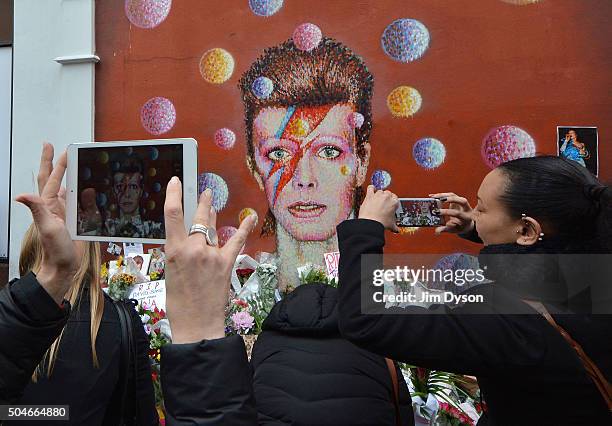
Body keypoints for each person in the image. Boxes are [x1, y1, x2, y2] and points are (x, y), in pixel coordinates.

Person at [336, 155, 612, 425]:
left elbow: (365, 320)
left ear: (526, 230)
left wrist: (365, 228)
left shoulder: (507, 320)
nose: (473, 214)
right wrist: (479, 229)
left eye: (481, 208)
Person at [5, 144, 158, 426]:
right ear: (92, 253)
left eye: (134, 187)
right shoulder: (119, 320)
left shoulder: (12, 319)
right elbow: (143, 414)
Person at [239, 36, 373, 291]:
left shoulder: (395, 302)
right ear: (256, 170)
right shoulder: (245, 300)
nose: (304, 178)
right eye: (279, 154)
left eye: (329, 151)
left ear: (361, 163)